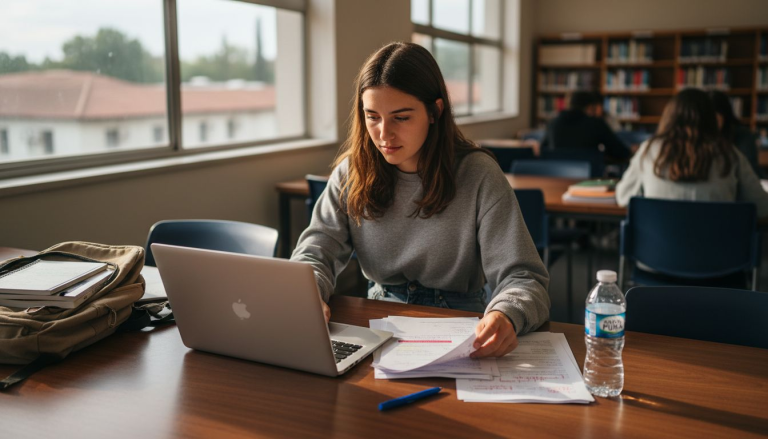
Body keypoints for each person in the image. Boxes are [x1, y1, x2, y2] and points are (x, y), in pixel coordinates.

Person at [291, 42, 550, 358]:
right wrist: (306, 296)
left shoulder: (478, 173)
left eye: (400, 118)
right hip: (378, 317)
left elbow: (524, 278)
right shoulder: (352, 171)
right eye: (372, 116)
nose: (384, 134)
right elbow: (316, 251)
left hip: (459, 320)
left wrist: (507, 313)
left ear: (435, 111)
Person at [616, 88, 768, 218]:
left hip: (657, 250)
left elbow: (623, 197)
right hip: (718, 250)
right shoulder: (730, 154)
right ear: (711, 119)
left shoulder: (649, 150)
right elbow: (762, 207)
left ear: (669, 117)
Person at [540, 91, 632, 160]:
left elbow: (544, 149)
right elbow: (620, 152)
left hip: (556, 175)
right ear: (590, 107)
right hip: (589, 179)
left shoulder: (553, 123)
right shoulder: (596, 124)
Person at [709, 90, 762, 177]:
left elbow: (749, 170)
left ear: (725, 116)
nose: (710, 125)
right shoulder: (700, 135)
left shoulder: (743, 135)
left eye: (714, 120)